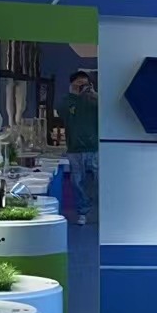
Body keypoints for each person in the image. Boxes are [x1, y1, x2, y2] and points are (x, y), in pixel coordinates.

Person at [58, 69, 99, 225]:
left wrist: (93, 94)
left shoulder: (94, 100)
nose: (82, 87)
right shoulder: (67, 100)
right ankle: (83, 211)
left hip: (94, 147)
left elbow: (106, 109)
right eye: (79, 83)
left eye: (85, 84)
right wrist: (74, 94)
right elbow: (61, 112)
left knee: (97, 180)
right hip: (74, 148)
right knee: (77, 181)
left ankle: (98, 209)